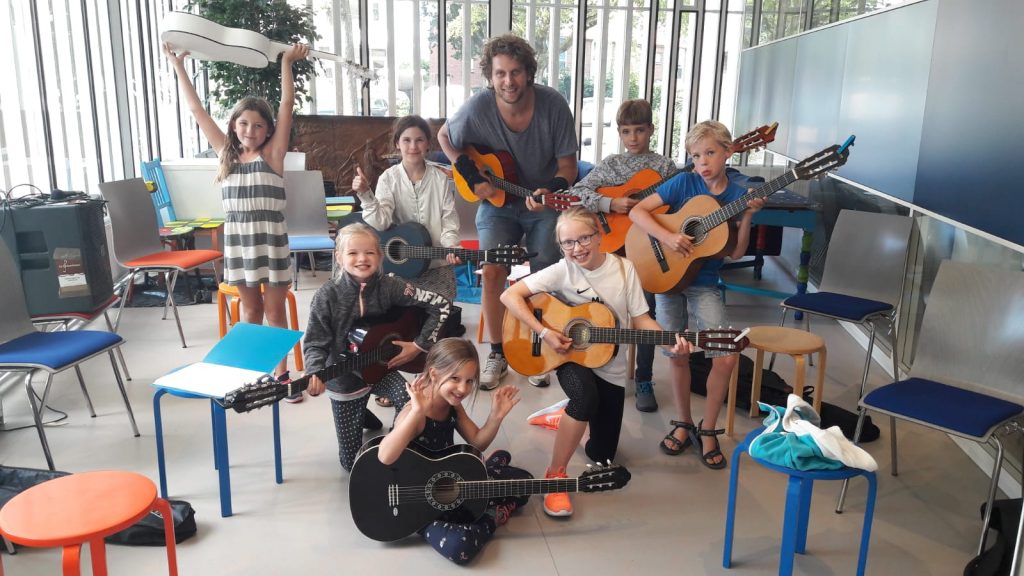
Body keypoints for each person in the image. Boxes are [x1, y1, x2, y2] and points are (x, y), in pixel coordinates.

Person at [500, 208, 690, 517]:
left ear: (600, 236)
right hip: (566, 356)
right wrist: (545, 332)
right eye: (568, 243)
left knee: (602, 455)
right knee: (584, 397)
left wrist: (671, 340)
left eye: (584, 238)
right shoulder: (562, 270)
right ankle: (556, 476)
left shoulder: (624, 269)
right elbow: (510, 296)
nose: (577, 248)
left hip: (610, 366)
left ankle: (564, 416)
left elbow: (641, 319)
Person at [163, 41, 306, 398]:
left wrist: (286, 62)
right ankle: (251, 374)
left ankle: (282, 375)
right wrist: (178, 65)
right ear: (233, 126)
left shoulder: (273, 155)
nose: (250, 131)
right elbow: (197, 110)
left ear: (269, 131)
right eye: (244, 124)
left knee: (275, 311)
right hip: (240, 244)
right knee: (250, 310)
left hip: (270, 242)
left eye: (258, 126)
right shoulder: (225, 154)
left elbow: (287, 105)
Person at [438, 33, 578, 390]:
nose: (508, 81)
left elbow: (568, 166)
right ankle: (498, 352)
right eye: (500, 73)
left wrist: (554, 190)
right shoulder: (478, 106)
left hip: (541, 203)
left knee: (546, 267)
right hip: (498, 205)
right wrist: (469, 172)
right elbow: (443, 137)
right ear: (490, 75)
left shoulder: (553, 105)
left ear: (528, 73)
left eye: (515, 72)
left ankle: (537, 346)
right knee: (492, 267)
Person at [628, 120, 764, 469]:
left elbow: (734, 253)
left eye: (710, 153)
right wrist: (667, 237)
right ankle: (684, 423)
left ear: (728, 152)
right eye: (695, 155)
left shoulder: (737, 194)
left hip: (703, 283)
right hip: (668, 280)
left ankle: (708, 428)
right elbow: (637, 211)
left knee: (727, 356)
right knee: (677, 352)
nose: (702, 162)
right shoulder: (684, 182)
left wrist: (747, 216)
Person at [302, 223, 451, 472]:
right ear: (339, 257)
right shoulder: (326, 296)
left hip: (383, 369)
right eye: (352, 253)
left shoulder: (390, 286)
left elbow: (441, 304)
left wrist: (418, 345)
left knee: (411, 402)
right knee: (351, 463)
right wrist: (314, 370)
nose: (362, 259)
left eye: (369, 253)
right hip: (344, 379)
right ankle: (361, 412)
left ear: (380, 256)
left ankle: (395, 448)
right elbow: (315, 341)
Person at [377, 337, 531, 565]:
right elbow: (384, 456)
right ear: (434, 373)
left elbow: (476, 443)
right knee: (461, 546)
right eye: (456, 379)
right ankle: (493, 515)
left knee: (524, 485)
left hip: (447, 483)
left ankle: (492, 465)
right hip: (416, 502)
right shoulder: (416, 411)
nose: (463, 389)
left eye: (469, 381)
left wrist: (496, 416)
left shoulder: (452, 404)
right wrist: (417, 412)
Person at [570, 99, 679, 413]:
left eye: (640, 130)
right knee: (601, 307)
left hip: (647, 248)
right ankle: (597, 369)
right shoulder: (613, 164)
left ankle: (643, 377)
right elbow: (578, 191)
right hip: (613, 247)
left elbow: (678, 203)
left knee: (646, 310)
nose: (633, 138)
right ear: (619, 132)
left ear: (651, 130)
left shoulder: (665, 167)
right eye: (626, 131)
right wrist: (610, 205)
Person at [352, 115, 462, 303]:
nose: (413, 146)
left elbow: (448, 221)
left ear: (428, 144)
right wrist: (365, 194)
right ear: (397, 144)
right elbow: (381, 221)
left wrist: (451, 246)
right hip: (398, 271)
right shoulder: (389, 178)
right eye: (407, 140)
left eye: (419, 140)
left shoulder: (441, 179)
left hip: (436, 268)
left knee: (437, 316)